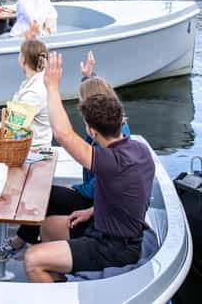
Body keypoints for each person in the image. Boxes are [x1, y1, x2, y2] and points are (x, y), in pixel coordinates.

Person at [22, 52, 154, 282]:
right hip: (103, 226)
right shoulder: (139, 149)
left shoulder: (111, 161)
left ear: (93, 132)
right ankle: (60, 280)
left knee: (32, 259)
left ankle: (53, 276)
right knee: (49, 228)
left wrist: (52, 88)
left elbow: (63, 133)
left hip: (114, 247)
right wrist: (92, 211)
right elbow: (125, 196)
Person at [0, 51, 131, 261]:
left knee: (45, 198)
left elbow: (101, 184)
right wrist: (87, 76)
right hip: (94, 199)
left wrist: (52, 88)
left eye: (81, 102)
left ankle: (35, 248)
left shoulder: (110, 143)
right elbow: (98, 93)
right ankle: (25, 241)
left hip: (95, 203)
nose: (80, 108)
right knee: (44, 195)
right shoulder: (111, 121)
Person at [0, 38, 52, 150]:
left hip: (32, 151)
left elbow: (13, 128)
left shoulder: (34, 92)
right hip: (28, 146)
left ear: (23, 60)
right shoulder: (36, 83)